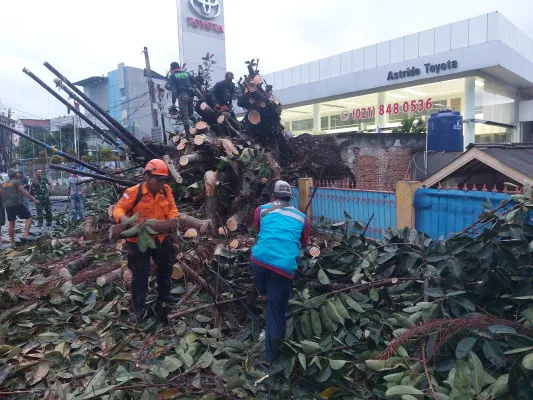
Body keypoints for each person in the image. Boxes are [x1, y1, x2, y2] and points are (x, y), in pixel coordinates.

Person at [111, 159, 181, 322]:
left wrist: (171, 221)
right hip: (138, 241)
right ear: (147, 176)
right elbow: (118, 208)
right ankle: (139, 308)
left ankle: (164, 295)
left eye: (164, 180)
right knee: (140, 274)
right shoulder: (133, 192)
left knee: (166, 266)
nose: (161, 184)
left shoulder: (166, 190)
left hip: (161, 238)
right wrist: (125, 220)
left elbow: (172, 208)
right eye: (158, 180)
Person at [250, 180, 310, 363]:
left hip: (258, 261)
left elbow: (260, 231)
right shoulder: (302, 218)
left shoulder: (261, 210)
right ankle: (272, 360)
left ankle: (264, 300)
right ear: (291, 198)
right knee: (278, 313)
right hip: (283, 268)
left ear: (273, 196)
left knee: (267, 298)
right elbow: (304, 243)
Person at [0, 169, 40, 247]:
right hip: (17, 204)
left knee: (12, 223)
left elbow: (2, 194)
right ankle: (25, 234)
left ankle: (12, 243)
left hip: (8, 206)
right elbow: (24, 192)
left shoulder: (3, 184)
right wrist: (34, 200)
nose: (19, 175)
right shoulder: (16, 182)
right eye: (17, 174)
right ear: (15, 175)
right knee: (28, 217)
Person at [169, 62, 195, 136]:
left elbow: (174, 91)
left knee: (185, 116)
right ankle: (198, 129)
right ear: (179, 67)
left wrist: (173, 103)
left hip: (182, 97)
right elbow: (195, 82)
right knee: (191, 114)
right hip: (190, 96)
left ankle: (188, 135)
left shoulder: (173, 76)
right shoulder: (186, 73)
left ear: (171, 69)